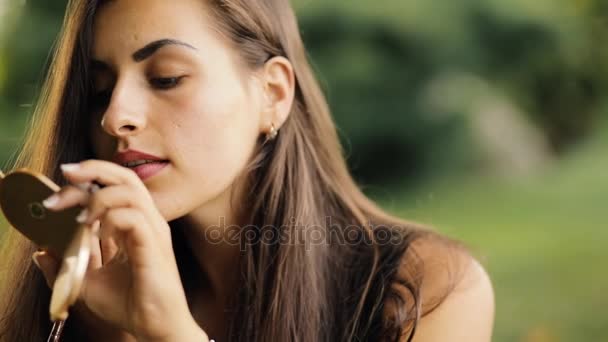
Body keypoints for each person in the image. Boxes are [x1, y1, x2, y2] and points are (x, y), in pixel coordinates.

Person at [0, 0, 494, 341]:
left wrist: (171, 336)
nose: (115, 116)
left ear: (273, 94)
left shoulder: (423, 292)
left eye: (166, 77)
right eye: (99, 91)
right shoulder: (92, 294)